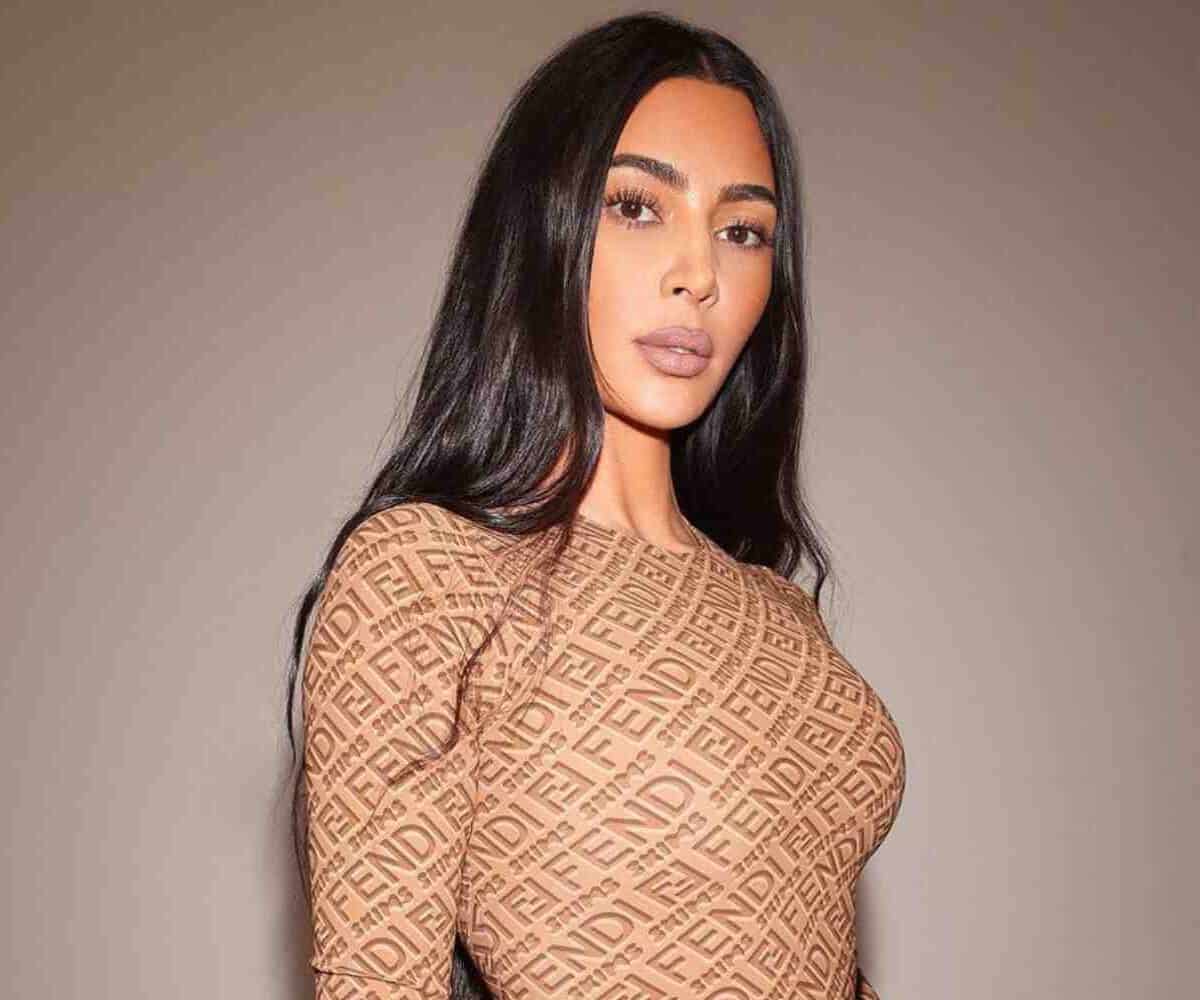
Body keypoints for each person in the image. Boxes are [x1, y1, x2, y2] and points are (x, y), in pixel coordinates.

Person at [283, 11, 906, 999]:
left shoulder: (780, 610)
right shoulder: (425, 575)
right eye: (637, 206)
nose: (700, 275)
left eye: (742, 230)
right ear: (545, 227)